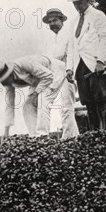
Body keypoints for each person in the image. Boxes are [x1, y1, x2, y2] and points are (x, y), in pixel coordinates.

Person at [0, 54, 74, 139]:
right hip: (38, 81)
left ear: (9, 74)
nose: (3, 83)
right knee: (28, 106)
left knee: (43, 99)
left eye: (4, 80)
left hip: (54, 72)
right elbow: (9, 105)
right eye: (0, 81)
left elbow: (48, 76)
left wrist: (36, 93)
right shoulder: (8, 83)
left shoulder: (24, 64)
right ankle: (34, 137)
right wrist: (6, 132)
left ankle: (43, 135)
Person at [66, 0, 106, 130]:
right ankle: (94, 134)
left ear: (87, 0)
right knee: (87, 102)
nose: (77, 7)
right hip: (80, 66)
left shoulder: (98, 15)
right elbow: (72, 46)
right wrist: (69, 68)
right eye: (75, 4)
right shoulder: (74, 22)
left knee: (101, 100)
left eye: (80, 3)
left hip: (95, 64)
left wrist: (100, 61)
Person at [41, 8, 79, 138]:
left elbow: (71, 53)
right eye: (50, 22)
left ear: (61, 20)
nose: (52, 24)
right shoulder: (52, 39)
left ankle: (69, 137)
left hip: (67, 72)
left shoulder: (69, 34)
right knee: (44, 101)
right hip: (53, 73)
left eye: (55, 20)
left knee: (66, 106)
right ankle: (42, 135)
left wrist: (70, 70)